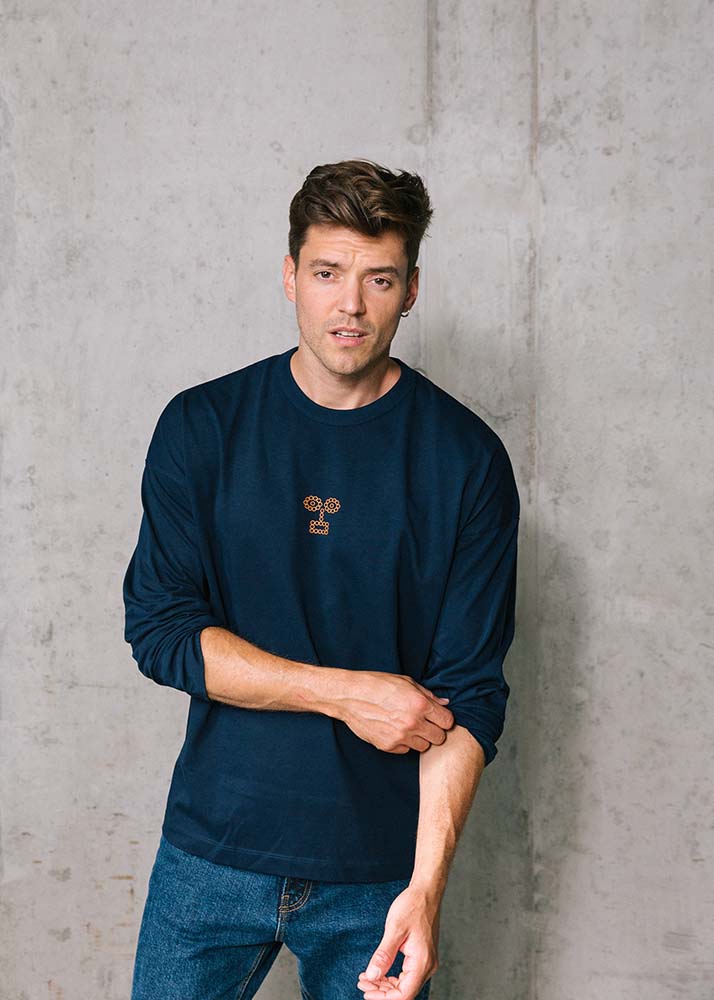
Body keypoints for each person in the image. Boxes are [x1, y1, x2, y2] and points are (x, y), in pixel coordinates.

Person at [122, 158, 520, 1000]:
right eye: (328, 273)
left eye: (379, 279)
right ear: (290, 277)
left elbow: (470, 693)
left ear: (411, 290)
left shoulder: (466, 460)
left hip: (378, 876)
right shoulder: (203, 427)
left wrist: (426, 889)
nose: (351, 306)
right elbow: (161, 632)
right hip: (212, 851)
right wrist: (345, 693)